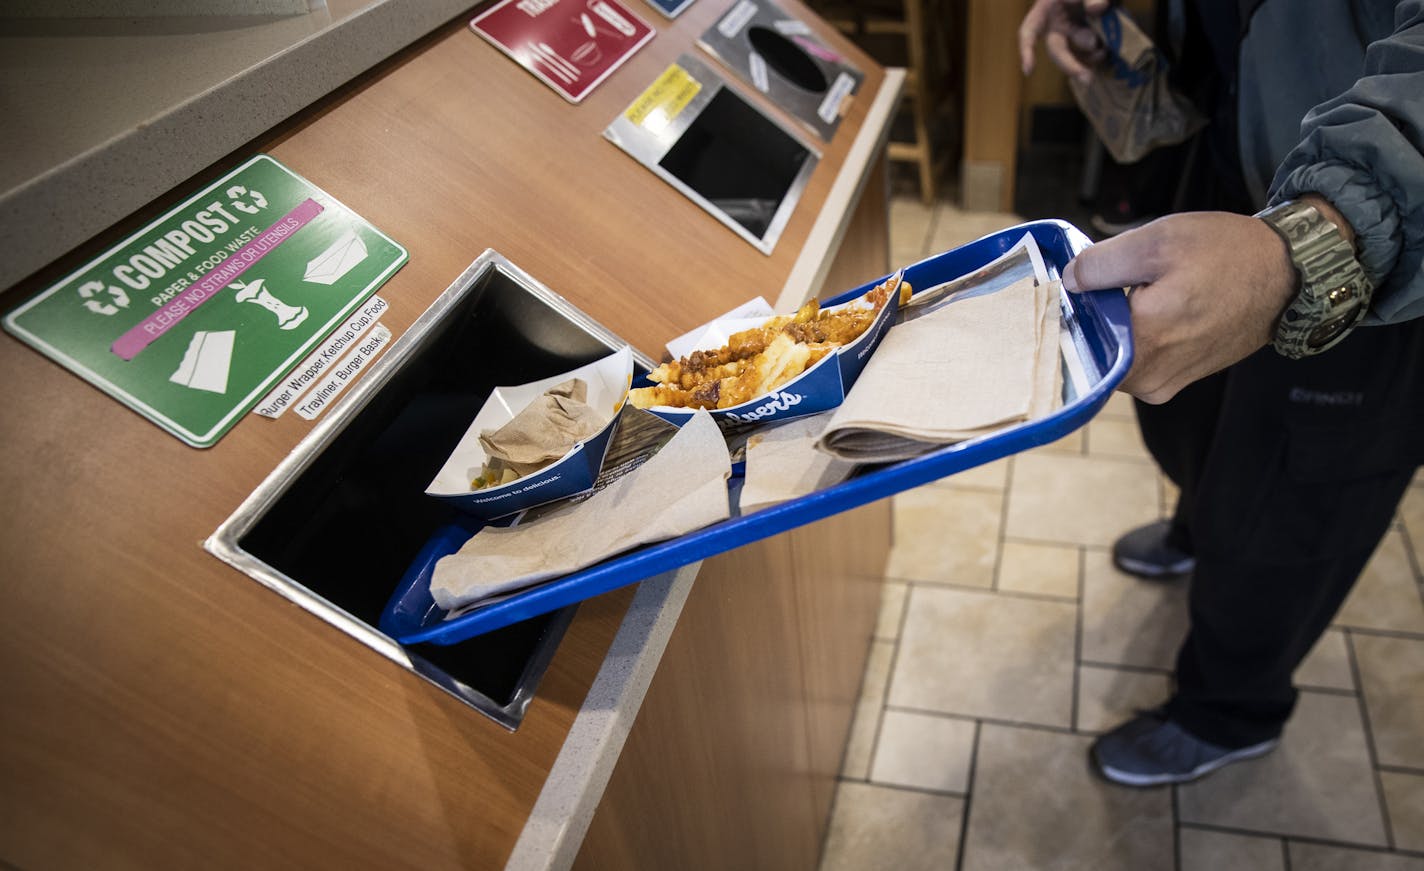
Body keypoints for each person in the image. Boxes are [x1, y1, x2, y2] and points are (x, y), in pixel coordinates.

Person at [1018, 0, 1424, 786]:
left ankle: (1231, 710)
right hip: (1241, 161)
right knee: (1192, 421)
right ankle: (1196, 525)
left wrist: (1313, 240)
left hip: (1380, 255)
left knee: (1288, 514)